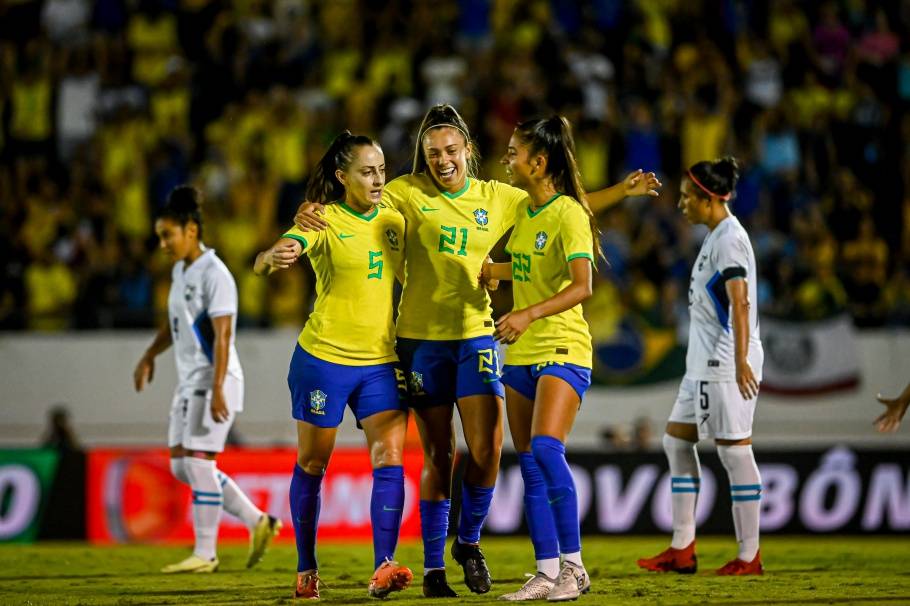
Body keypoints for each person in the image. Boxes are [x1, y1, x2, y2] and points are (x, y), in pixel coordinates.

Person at [294, 104, 660, 597]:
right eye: (432, 153)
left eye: (450, 150)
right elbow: (356, 204)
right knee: (440, 455)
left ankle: (467, 542)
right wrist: (310, 208)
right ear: (423, 157)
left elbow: (562, 208)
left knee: (486, 451)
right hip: (420, 342)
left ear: (467, 149)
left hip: (476, 337)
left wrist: (623, 191)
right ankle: (432, 569)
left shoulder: (498, 197)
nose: (443, 160)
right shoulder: (404, 192)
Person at [254, 132, 413, 600]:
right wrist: (270, 257)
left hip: (381, 363)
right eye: (367, 171)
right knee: (313, 462)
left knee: (389, 458)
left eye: (382, 169)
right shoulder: (321, 219)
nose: (378, 179)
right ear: (343, 177)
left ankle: (384, 565)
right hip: (323, 361)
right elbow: (273, 256)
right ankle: (306, 569)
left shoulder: (394, 220)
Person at [133, 185, 281, 574]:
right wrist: (150, 354)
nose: (163, 243)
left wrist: (217, 387)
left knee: (199, 463)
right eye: (160, 236)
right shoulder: (182, 271)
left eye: (168, 235)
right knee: (183, 467)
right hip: (190, 381)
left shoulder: (216, 274)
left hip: (215, 377)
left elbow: (224, 334)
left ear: (191, 231)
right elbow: (175, 324)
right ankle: (257, 521)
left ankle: (206, 552)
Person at [479, 116, 596, 601]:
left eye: (514, 152)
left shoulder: (568, 213)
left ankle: (575, 567)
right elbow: (529, 266)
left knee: (547, 449)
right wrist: (496, 271)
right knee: (528, 462)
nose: (508, 159)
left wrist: (525, 312)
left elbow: (582, 284)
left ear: (539, 161)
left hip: (563, 345)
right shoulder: (524, 213)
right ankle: (546, 572)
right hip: (521, 351)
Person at [637, 157, 764, 576]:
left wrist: (741, 359)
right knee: (676, 442)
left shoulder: (729, 239)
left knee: (734, 453)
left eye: (688, 197)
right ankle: (682, 548)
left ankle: (749, 556)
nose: (681, 204)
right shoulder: (715, 235)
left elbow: (740, 302)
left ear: (709, 200)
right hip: (702, 365)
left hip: (723, 362)